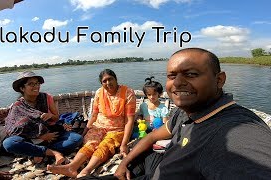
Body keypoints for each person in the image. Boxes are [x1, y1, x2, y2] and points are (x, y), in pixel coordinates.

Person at [82, 48, 271, 180]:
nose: (177, 83)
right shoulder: (186, 112)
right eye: (172, 76)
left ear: (219, 79)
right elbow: (151, 137)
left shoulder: (236, 129)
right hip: (157, 165)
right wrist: (124, 163)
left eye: (191, 74)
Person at [47, 69, 137, 178]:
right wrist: (85, 131)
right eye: (104, 81)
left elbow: (129, 120)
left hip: (117, 129)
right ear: (101, 83)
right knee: (90, 143)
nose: (108, 83)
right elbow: (94, 115)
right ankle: (72, 167)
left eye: (110, 79)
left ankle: (86, 170)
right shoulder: (99, 92)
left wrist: (123, 144)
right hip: (98, 126)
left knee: (105, 146)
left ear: (116, 79)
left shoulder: (128, 93)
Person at [2, 71, 83, 165]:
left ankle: (35, 152)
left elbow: (56, 118)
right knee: (9, 144)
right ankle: (51, 152)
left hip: (50, 132)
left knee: (77, 139)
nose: (36, 86)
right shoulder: (18, 106)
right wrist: (39, 136)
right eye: (31, 84)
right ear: (22, 88)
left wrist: (51, 116)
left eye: (37, 83)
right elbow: (14, 129)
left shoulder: (46, 97)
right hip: (29, 138)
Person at [136, 76, 170, 152]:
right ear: (146, 95)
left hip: (157, 131)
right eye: (149, 95)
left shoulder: (163, 108)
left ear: (159, 94)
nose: (151, 97)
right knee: (135, 131)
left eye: (154, 94)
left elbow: (165, 123)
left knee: (157, 121)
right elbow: (140, 116)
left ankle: (155, 140)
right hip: (145, 130)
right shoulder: (143, 106)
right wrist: (139, 120)